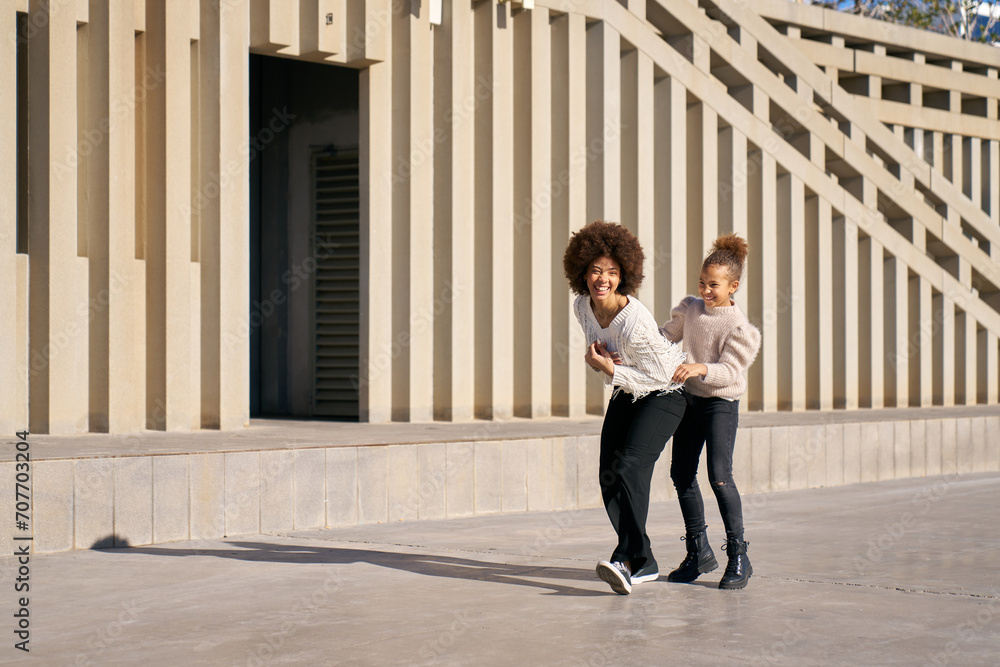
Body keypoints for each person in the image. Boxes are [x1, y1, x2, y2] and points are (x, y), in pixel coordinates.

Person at [563, 221, 687, 595]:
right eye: (596, 271)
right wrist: (608, 365)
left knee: (630, 465)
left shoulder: (634, 319)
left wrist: (610, 368)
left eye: (613, 272)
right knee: (608, 472)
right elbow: (607, 357)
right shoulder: (582, 306)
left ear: (624, 277)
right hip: (626, 390)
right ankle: (641, 558)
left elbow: (661, 375)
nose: (603, 279)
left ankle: (628, 560)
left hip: (665, 395)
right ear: (582, 272)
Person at [660, 233, 762, 589]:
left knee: (719, 476)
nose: (705, 290)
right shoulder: (690, 309)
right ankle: (698, 551)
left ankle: (739, 556)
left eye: (714, 285)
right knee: (681, 474)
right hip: (690, 399)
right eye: (702, 282)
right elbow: (663, 337)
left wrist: (700, 367)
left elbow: (732, 372)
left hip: (720, 403)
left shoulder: (739, 328)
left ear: (732, 287)